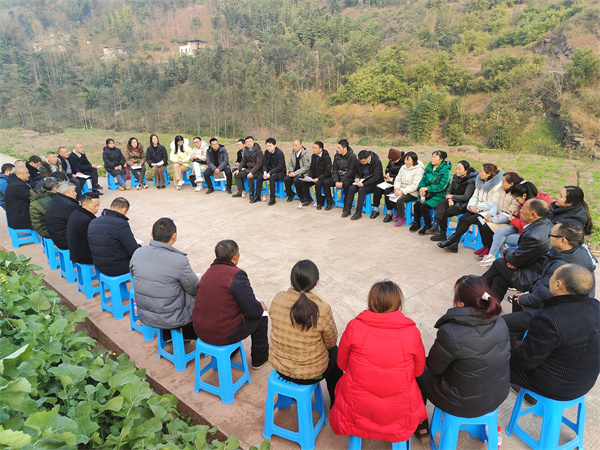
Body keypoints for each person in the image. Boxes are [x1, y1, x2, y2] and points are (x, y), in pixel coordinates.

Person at [330, 281, 427, 443]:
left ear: (371, 302)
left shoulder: (354, 327)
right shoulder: (412, 332)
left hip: (357, 410)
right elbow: (418, 371)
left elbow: (341, 365)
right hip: (399, 413)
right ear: (398, 303)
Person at [415, 275, 510, 441]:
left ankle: (421, 424)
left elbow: (434, 369)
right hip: (496, 396)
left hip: (461, 403)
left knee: (418, 369)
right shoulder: (501, 322)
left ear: (459, 304)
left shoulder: (450, 332)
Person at [510, 264, 599, 401]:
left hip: (554, 387)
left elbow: (525, 361)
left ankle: (529, 396)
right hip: (583, 384)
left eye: (552, 276)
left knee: (495, 362)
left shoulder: (550, 319)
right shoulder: (596, 306)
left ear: (558, 284)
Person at [502, 220, 597, 348]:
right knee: (517, 298)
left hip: (557, 313)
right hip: (555, 303)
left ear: (562, 240)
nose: (548, 237)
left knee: (503, 323)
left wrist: (526, 298)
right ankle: (520, 339)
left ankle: (516, 352)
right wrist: (529, 294)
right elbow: (545, 285)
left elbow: (545, 294)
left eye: (550, 235)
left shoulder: (562, 266)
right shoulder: (572, 251)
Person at [269, 260, 343, 404]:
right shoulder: (321, 308)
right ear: (316, 283)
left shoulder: (278, 298)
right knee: (335, 352)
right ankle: (336, 404)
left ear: (291, 279)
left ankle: (291, 395)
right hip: (310, 374)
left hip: (280, 368)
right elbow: (330, 342)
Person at [193, 240, 269, 369]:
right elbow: (253, 311)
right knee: (262, 317)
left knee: (227, 314)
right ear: (235, 256)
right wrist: (259, 306)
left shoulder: (207, 273)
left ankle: (231, 352)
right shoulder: (237, 275)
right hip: (222, 334)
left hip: (199, 330)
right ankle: (259, 360)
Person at [130, 218, 200, 340]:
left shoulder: (138, 253)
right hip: (173, 319)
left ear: (152, 234)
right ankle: (186, 333)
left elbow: (133, 275)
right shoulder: (179, 261)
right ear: (174, 236)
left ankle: (168, 334)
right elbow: (195, 289)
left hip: (145, 315)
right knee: (201, 295)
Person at [482, 198, 553, 301]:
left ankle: (476, 286)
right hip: (534, 267)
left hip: (535, 277)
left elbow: (515, 260)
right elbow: (521, 257)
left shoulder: (533, 236)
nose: (520, 211)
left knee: (499, 263)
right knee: (500, 278)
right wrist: (515, 260)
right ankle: (490, 305)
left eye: (523, 208)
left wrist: (507, 251)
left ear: (532, 214)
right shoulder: (547, 224)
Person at [479, 181, 551, 267]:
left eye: (517, 200)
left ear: (524, 195)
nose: (517, 203)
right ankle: (492, 256)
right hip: (520, 228)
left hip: (525, 233)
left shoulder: (535, 206)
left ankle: (507, 261)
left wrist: (514, 220)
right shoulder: (529, 201)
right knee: (500, 232)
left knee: (499, 238)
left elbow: (529, 227)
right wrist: (518, 214)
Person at [437, 164, 503, 253]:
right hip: (476, 208)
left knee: (468, 220)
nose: (479, 173)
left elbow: (493, 204)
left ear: (488, 174)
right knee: (462, 219)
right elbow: (474, 196)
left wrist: (477, 206)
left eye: (482, 171)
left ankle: (451, 240)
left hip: (487, 212)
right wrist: (471, 206)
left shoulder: (497, 186)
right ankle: (454, 244)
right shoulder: (480, 182)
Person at [87, 197, 141, 276]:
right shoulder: (121, 223)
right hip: (116, 267)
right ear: (123, 209)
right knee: (142, 256)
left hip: (99, 265)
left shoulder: (93, 221)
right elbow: (133, 249)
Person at [426, 160, 478, 241]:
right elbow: (449, 191)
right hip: (454, 200)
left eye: (460, 169)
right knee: (441, 204)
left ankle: (442, 234)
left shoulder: (471, 181)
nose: (457, 171)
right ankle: (435, 226)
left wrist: (452, 197)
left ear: (466, 170)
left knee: (444, 213)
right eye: (456, 169)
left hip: (464, 205)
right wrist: (450, 199)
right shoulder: (456, 177)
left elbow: (466, 197)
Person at [410, 150, 452, 233]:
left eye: (435, 157)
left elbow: (441, 186)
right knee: (417, 204)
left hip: (440, 195)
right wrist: (421, 189)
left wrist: (427, 188)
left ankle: (428, 225)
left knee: (424, 206)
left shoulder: (445, 171)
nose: (432, 159)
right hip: (428, 193)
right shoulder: (429, 168)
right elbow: (423, 180)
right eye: (432, 157)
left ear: (441, 159)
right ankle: (417, 223)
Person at [383, 152, 424, 226]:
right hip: (401, 189)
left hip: (413, 192)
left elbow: (415, 185)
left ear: (414, 160)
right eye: (405, 159)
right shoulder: (403, 167)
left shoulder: (419, 170)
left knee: (400, 200)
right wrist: (396, 189)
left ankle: (402, 217)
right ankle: (400, 211)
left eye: (408, 160)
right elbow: (397, 180)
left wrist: (402, 191)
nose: (406, 162)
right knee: (390, 197)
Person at [344, 150, 384, 220]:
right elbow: (356, 171)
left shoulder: (377, 162)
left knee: (361, 190)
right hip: (361, 181)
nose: (362, 163)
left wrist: (364, 184)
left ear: (368, 157)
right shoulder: (358, 161)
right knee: (351, 189)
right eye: (361, 162)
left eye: (363, 162)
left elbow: (376, 177)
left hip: (373, 183)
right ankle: (347, 209)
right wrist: (357, 177)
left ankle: (358, 212)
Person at [322, 139, 357, 212]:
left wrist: (342, 181)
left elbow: (351, 171)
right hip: (338, 177)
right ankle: (330, 202)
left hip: (348, 177)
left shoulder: (352, 156)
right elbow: (334, 169)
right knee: (325, 182)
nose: (337, 149)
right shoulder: (336, 156)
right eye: (337, 147)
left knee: (346, 184)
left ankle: (346, 205)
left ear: (345, 148)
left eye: (339, 148)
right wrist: (336, 181)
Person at [66, 192, 100, 265]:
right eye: (95, 206)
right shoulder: (85, 220)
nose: (97, 208)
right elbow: (94, 240)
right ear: (84, 205)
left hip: (76, 252)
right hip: (83, 256)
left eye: (98, 205)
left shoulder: (77, 212)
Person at [370, 148, 404, 219]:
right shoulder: (391, 160)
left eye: (394, 161)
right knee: (377, 189)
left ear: (399, 157)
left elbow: (402, 178)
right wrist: (388, 173)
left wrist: (391, 179)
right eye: (391, 161)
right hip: (389, 182)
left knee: (387, 192)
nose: (392, 162)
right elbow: (388, 167)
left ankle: (389, 212)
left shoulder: (404, 163)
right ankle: (375, 209)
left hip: (398, 184)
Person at [45, 182, 79, 250]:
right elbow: (78, 224)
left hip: (56, 236)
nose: (76, 193)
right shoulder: (69, 205)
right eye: (73, 191)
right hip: (65, 241)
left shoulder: (56, 198)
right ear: (65, 193)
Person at [300, 141, 332, 209]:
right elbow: (311, 169)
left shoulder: (326, 157)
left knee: (318, 184)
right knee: (303, 182)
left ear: (321, 149)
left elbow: (327, 172)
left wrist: (318, 178)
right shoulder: (313, 156)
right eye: (313, 148)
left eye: (315, 148)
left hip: (323, 178)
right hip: (314, 177)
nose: (313, 149)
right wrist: (309, 177)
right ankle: (308, 199)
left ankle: (319, 203)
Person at [254, 137, 285, 205]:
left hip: (280, 172)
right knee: (259, 177)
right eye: (267, 146)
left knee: (271, 179)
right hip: (269, 171)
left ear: (275, 145)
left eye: (270, 146)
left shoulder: (280, 153)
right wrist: (265, 172)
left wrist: (270, 173)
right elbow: (264, 164)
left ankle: (272, 199)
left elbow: (280, 167)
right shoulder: (266, 152)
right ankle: (257, 196)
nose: (269, 148)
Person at [4, 166, 33, 230]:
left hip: (20, 214)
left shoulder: (18, 182)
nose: (29, 175)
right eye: (26, 173)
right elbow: (31, 197)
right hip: (20, 218)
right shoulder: (17, 186)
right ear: (19, 174)